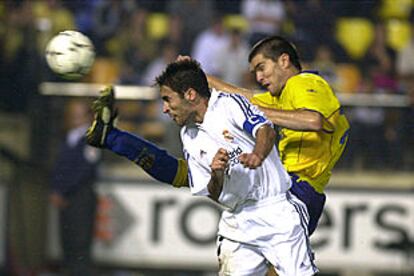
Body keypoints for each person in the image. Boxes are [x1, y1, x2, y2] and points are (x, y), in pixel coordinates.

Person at [86, 36, 350, 239]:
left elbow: (314, 120)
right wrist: (200, 76)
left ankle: (112, 138)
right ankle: (112, 138)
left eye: (261, 67)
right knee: (185, 174)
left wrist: (253, 114)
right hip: (275, 187)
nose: (258, 77)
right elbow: (242, 95)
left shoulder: (303, 83)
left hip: (295, 190)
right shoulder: (281, 97)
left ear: (283, 60)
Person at [87, 60, 317, 275]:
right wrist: (217, 173)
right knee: (180, 172)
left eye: (168, 100)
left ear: (190, 94)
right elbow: (213, 192)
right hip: (237, 220)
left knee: (177, 172)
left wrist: (258, 154)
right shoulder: (188, 135)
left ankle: (113, 138)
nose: (164, 109)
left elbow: (265, 129)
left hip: (276, 209)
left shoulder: (228, 104)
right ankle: (112, 138)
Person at [50, 99, 100, 276]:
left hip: (80, 196)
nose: (74, 117)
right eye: (72, 113)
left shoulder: (91, 138)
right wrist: (56, 190)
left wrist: (62, 190)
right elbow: (58, 168)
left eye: (78, 113)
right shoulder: (68, 137)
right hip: (66, 198)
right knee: (67, 241)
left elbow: (84, 169)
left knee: (80, 242)